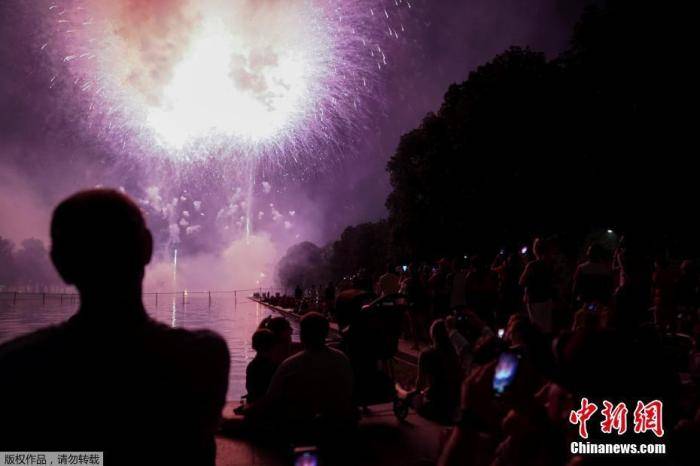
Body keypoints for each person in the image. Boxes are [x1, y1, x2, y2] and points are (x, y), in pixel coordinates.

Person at [0, 189, 230, 465]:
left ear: (59, 264)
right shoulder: (204, 356)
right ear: (147, 247)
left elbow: (18, 459)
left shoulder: (15, 364)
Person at [246, 312, 354, 442]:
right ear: (325, 334)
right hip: (338, 427)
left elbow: (270, 399)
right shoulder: (342, 359)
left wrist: (249, 409)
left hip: (303, 429)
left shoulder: (290, 365)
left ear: (302, 336)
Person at [399, 319, 461, 424]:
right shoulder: (453, 353)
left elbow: (419, 385)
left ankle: (399, 392)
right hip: (453, 403)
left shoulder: (427, 354)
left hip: (435, 406)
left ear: (432, 334)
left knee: (410, 397)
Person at [520, 238, 556, 333]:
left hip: (534, 299)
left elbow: (521, 281)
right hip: (547, 298)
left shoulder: (532, 265)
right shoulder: (550, 264)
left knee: (536, 327)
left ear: (535, 250)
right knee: (547, 327)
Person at [245, 329, 279, 404]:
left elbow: (250, 388)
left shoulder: (252, 366)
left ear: (253, 346)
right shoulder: (274, 366)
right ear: (273, 346)